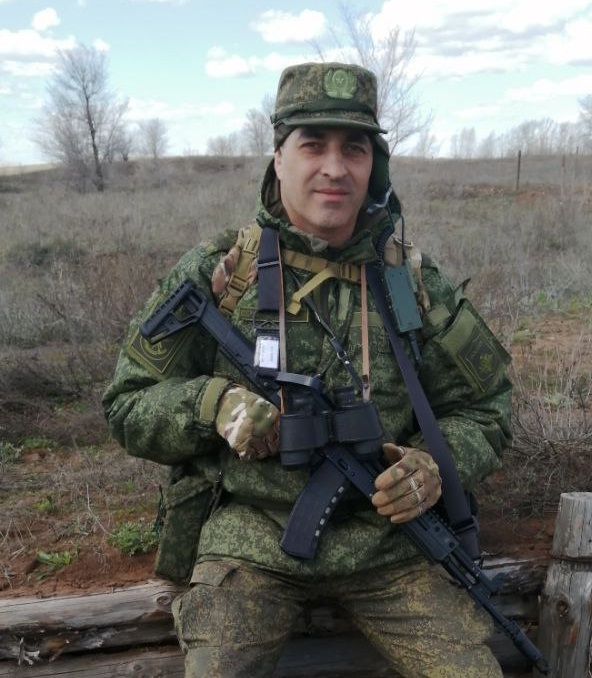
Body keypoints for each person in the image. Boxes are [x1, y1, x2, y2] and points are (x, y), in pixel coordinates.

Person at [102, 62, 513, 678]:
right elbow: (127, 402)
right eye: (313, 145)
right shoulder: (220, 274)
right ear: (278, 158)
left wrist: (432, 465)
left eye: (355, 149)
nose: (335, 168)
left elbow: (488, 407)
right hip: (251, 540)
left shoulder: (411, 283)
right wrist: (212, 406)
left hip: (389, 543)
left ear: (375, 166)